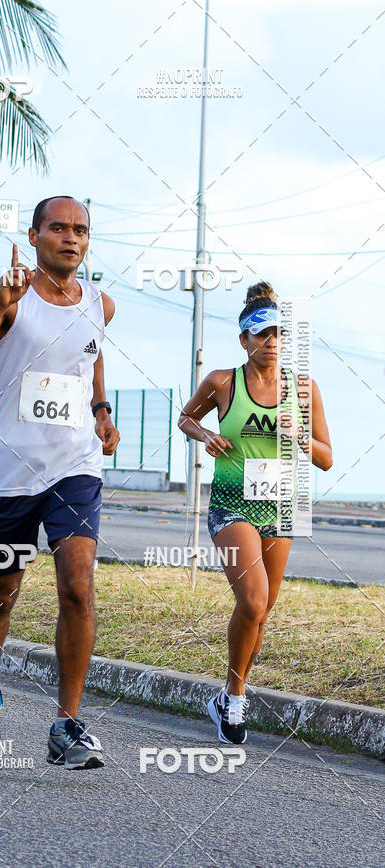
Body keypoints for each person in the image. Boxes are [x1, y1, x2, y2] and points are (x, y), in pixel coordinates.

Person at [0, 195, 120, 769]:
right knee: (2, 592)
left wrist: (101, 410)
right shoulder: (4, 297)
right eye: (58, 228)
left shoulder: (101, 303)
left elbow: (90, 359)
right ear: (35, 233)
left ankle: (67, 724)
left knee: (77, 582)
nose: (70, 238)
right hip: (10, 470)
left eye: (81, 230)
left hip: (74, 466)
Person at [178, 282, 332, 744]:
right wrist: (206, 437)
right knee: (252, 600)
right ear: (244, 340)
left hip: (281, 506)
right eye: (261, 335)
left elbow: (326, 457)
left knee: (262, 610)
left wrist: (300, 436)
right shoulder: (223, 382)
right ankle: (238, 697)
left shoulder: (303, 388)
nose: (271, 343)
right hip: (232, 504)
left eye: (278, 335)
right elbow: (187, 418)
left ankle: (227, 695)